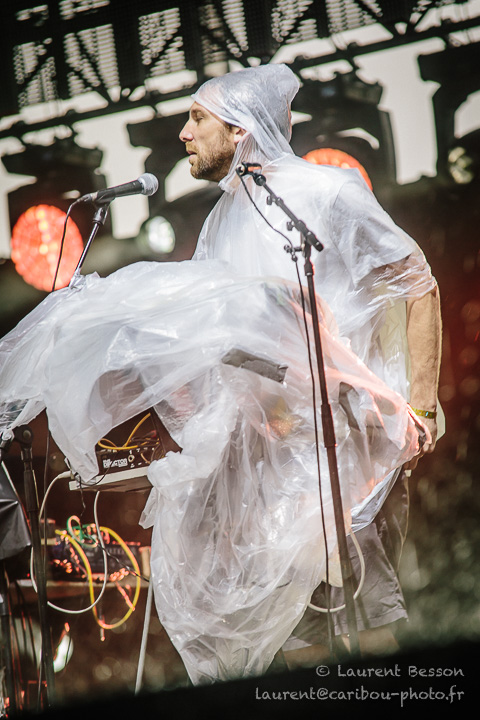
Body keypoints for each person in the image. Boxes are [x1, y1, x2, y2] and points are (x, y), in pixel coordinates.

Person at [179, 62, 442, 665]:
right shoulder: (219, 224)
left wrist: (423, 407)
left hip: (349, 451)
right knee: (296, 645)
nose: (184, 134)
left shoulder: (325, 192)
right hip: (273, 473)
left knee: (369, 632)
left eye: (197, 118)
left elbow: (417, 283)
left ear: (241, 128)